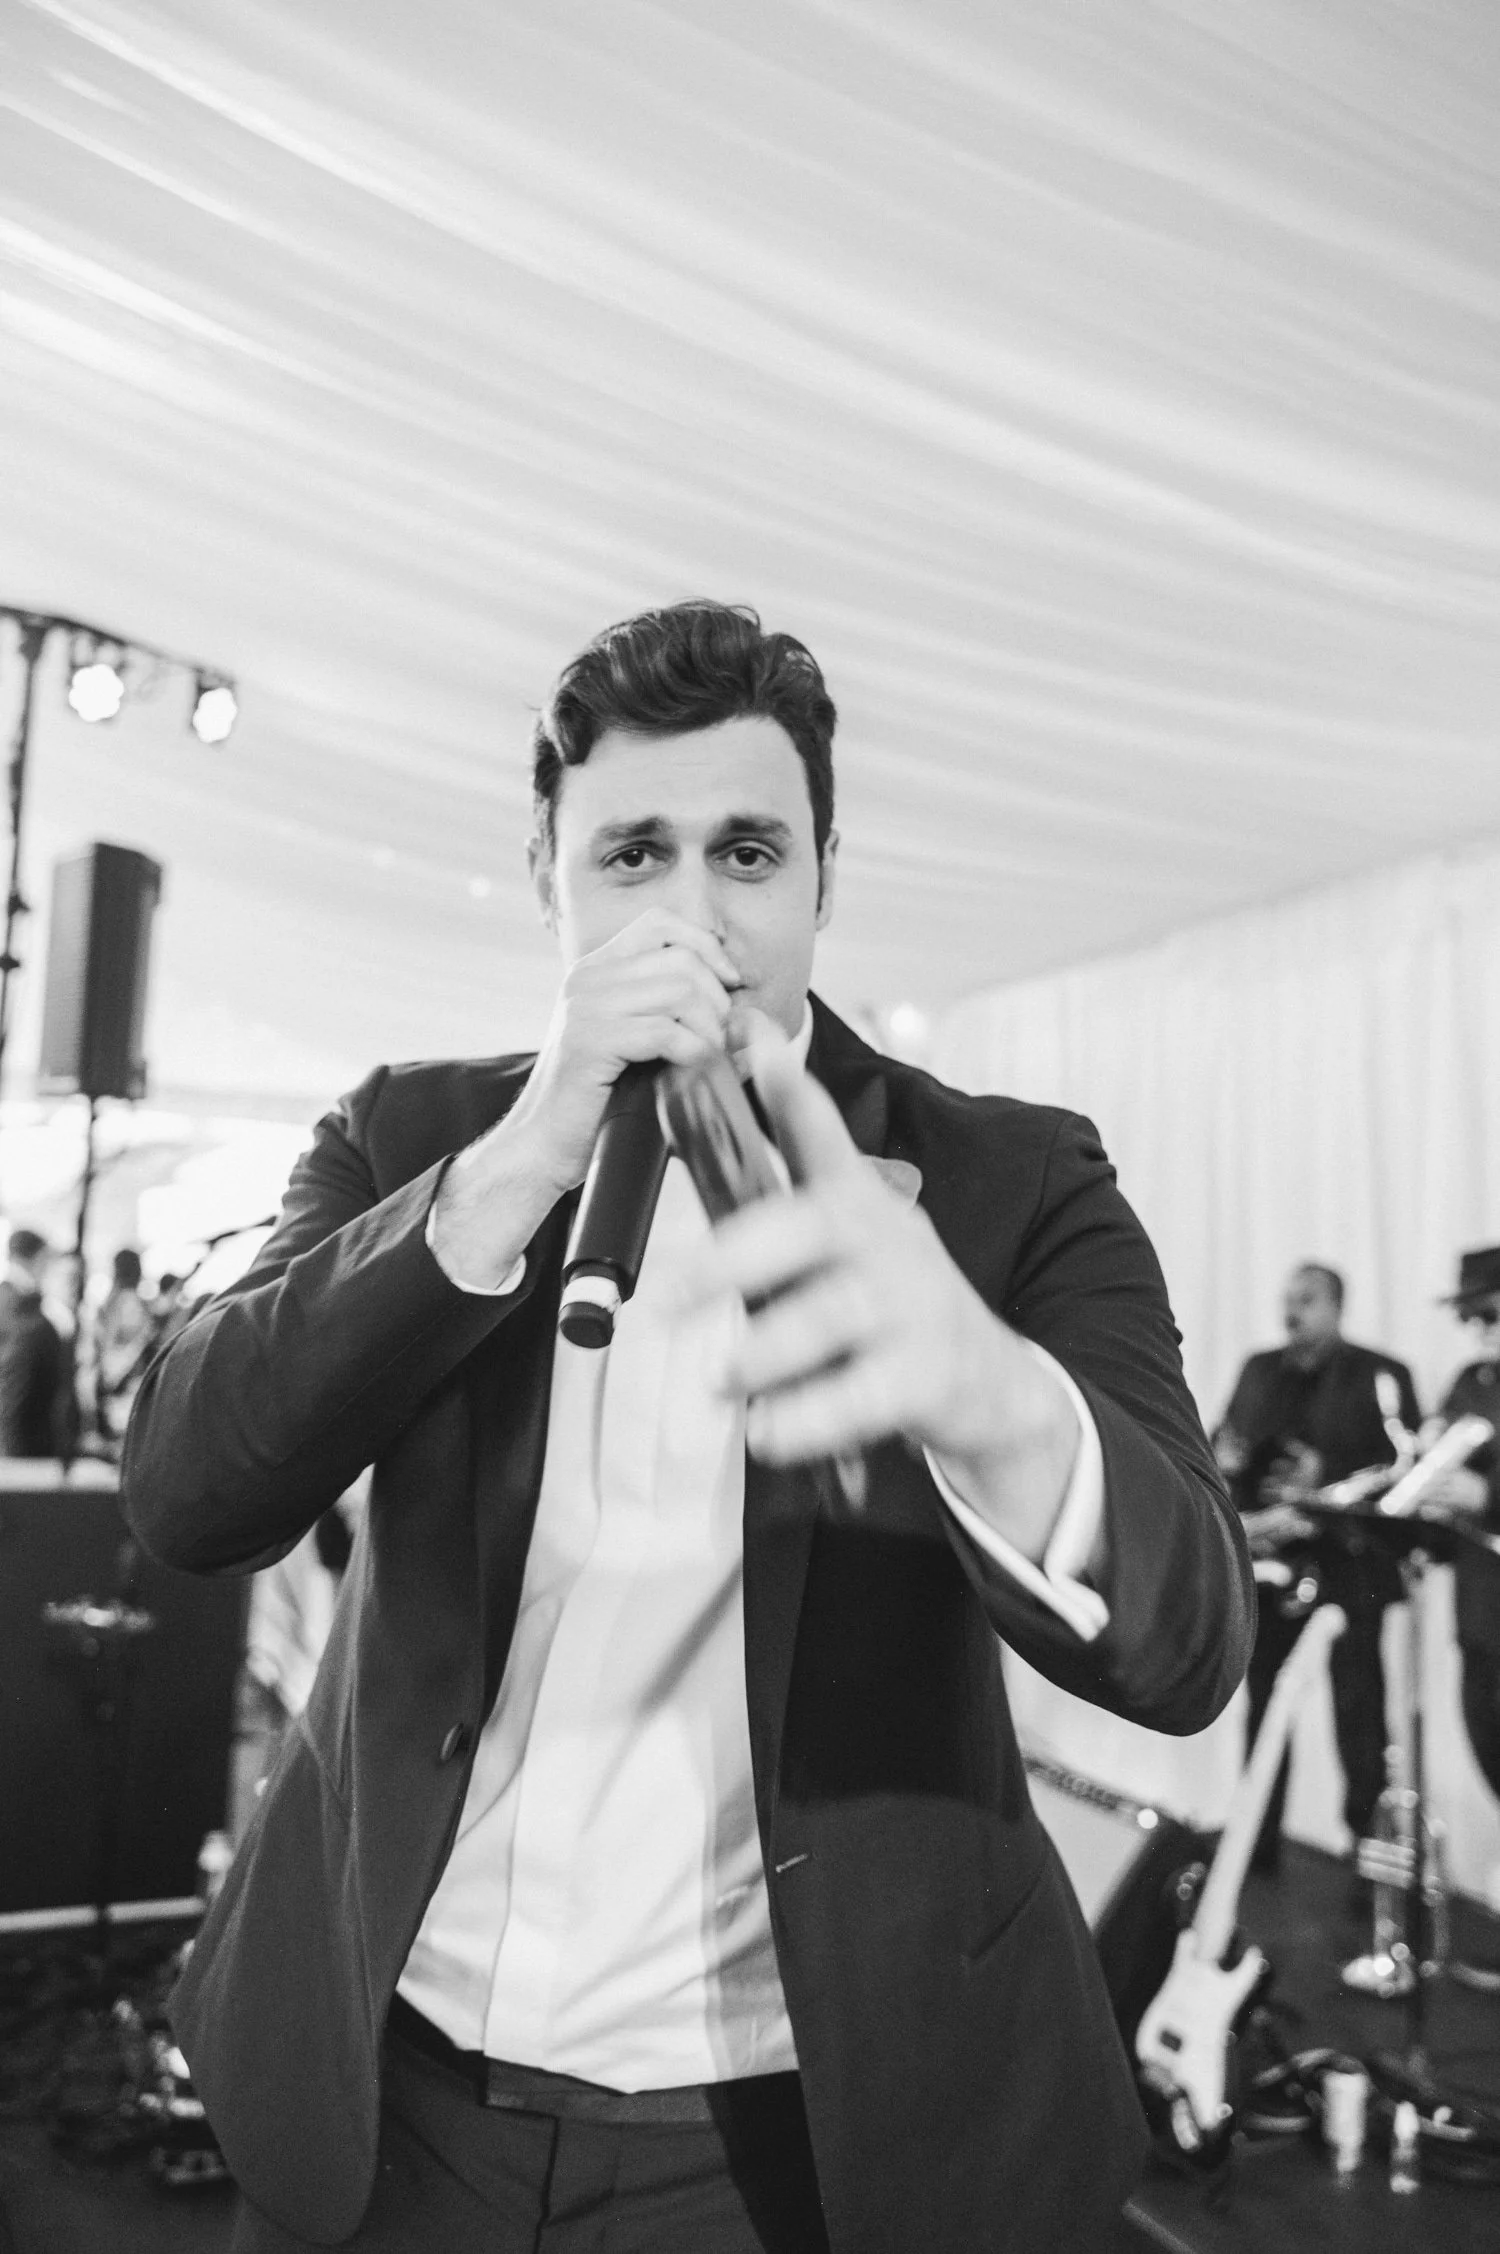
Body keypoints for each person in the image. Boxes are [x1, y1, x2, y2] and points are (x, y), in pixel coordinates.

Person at [123, 602, 1253, 2254]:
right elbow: (185, 1487)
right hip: (388, 2084)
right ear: (549, 873)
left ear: (822, 877)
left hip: (801, 2132)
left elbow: (1193, 1639)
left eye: (747, 853)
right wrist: (518, 1165)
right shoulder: (409, 1132)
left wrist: (989, 1392)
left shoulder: (1015, 1180)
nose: (693, 915)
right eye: (633, 854)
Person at [1216, 1262, 1421, 1873]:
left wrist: (1322, 1481)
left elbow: (1405, 1473)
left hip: (1349, 1569)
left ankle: (1370, 1861)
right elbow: (1226, 1444)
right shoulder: (1259, 1369)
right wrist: (1229, 1463)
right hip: (1274, 1566)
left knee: (1359, 1718)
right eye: (1288, 1299)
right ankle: (1255, 1848)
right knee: (1263, 1710)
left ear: (1337, 1305)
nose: (1292, 1312)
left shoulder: (1381, 1374)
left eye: (1306, 1300)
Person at [1421, 1246, 1500, 1941]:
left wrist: (1488, 1495)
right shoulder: (1471, 1383)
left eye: (1492, 1315)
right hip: (1480, 1617)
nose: (1480, 1331)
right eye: (1472, 1317)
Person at [0, 1226, 65, 1458]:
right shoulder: (22, 1311)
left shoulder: (12, 1302)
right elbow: (14, 1389)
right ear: (38, 1258)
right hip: (23, 1447)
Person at [90, 1247, 157, 1449]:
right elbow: (134, 1345)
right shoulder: (131, 1302)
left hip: (108, 1391)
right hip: (126, 1391)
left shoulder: (108, 1304)